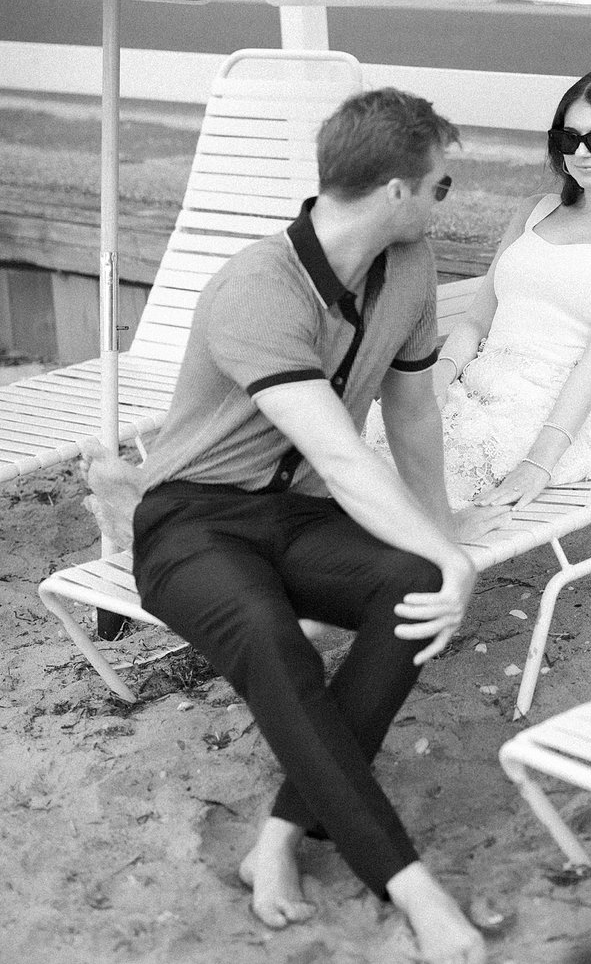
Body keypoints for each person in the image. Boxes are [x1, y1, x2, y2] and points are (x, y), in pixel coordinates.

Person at [85, 89, 487, 964]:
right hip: (192, 521)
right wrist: (450, 556)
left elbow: (412, 417)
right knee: (272, 635)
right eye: (441, 186)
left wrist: (446, 548)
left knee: (413, 584)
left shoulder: (410, 266)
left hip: (298, 514)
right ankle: (411, 885)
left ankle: (276, 836)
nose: (443, 202)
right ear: (394, 192)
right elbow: (344, 456)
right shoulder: (255, 287)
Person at [367, 68, 591, 511]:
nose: (581, 152)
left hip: (552, 415)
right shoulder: (533, 211)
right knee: (379, 438)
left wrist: (538, 464)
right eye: (568, 138)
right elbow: (476, 319)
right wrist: (440, 376)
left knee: (416, 479)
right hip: (478, 389)